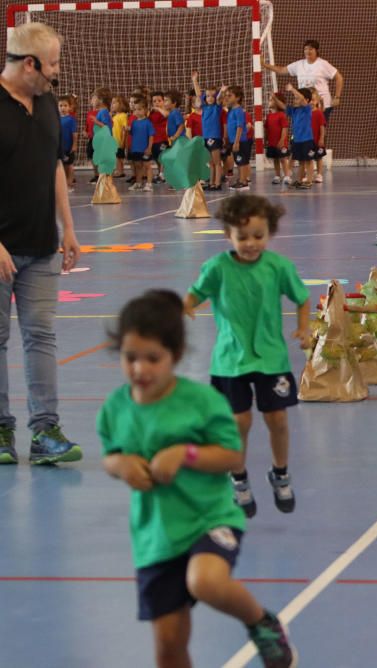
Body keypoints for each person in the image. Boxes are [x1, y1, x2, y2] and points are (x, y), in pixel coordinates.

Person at [98, 290, 297, 668]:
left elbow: (231, 455)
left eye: (152, 359)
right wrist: (120, 466)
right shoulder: (115, 409)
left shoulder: (202, 403)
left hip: (210, 518)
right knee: (169, 646)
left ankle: (261, 621)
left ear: (174, 355)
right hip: (156, 534)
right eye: (130, 358)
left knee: (204, 582)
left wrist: (184, 454)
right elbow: (111, 456)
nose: (140, 369)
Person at [183, 195, 311, 518]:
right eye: (243, 237)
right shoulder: (217, 269)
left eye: (258, 236)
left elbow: (302, 298)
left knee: (277, 419)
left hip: (271, 358)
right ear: (228, 235)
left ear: (269, 233)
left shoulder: (278, 267)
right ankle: (238, 478)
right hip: (230, 359)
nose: (251, 244)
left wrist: (304, 328)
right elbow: (194, 294)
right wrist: (183, 311)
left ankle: (280, 472)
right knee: (239, 422)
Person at [0, 22, 82, 465]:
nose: (56, 72)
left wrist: (67, 228)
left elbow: (53, 165)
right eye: (51, 64)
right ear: (29, 64)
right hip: (1, 251)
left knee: (41, 337)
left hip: (42, 247)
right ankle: (0, 432)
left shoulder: (47, 103)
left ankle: (45, 431)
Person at [263, 39, 343, 122]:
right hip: (304, 104)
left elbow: (339, 78)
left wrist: (337, 97)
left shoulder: (323, 64)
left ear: (316, 51)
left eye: (311, 49)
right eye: (306, 49)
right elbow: (281, 70)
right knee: (306, 129)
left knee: (316, 129)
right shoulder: (299, 64)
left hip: (321, 104)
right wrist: (264, 64)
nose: (308, 51)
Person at [272, 84, 315, 189]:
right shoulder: (294, 110)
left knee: (308, 161)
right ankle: (300, 181)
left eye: (297, 98)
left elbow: (301, 98)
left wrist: (292, 89)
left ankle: (309, 181)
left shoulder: (307, 109)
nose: (295, 100)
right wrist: (274, 98)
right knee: (301, 161)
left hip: (307, 140)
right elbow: (283, 106)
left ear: (306, 100)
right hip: (297, 141)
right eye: (294, 98)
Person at [190, 71, 225, 190]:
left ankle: (217, 183)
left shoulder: (217, 107)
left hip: (214, 137)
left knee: (216, 161)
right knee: (210, 163)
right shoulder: (204, 107)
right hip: (206, 137)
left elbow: (220, 98)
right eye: (208, 96)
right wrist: (195, 81)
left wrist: (222, 90)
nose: (210, 98)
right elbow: (199, 94)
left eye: (212, 96)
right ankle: (211, 183)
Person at [225, 86, 251, 191]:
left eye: (230, 96)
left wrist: (236, 142)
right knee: (238, 161)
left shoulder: (239, 111)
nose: (227, 98)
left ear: (238, 98)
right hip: (233, 141)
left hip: (240, 141)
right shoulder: (231, 110)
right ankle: (241, 179)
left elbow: (240, 127)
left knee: (242, 161)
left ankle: (244, 182)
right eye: (226, 95)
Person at [127, 98, 154, 192]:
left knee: (147, 166)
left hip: (145, 149)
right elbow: (132, 135)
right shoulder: (134, 123)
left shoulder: (148, 123)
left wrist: (149, 147)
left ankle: (149, 184)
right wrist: (127, 130)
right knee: (138, 166)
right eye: (135, 110)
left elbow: (151, 136)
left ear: (145, 110)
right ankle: (138, 183)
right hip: (135, 149)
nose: (137, 112)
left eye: (139, 109)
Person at [264, 94, 291, 185]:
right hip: (272, 143)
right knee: (275, 159)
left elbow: (285, 128)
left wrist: (282, 140)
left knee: (283, 159)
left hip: (281, 143)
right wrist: (265, 139)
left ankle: (287, 176)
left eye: (271, 100)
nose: (269, 101)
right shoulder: (269, 116)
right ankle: (277, 175)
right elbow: (266, 129)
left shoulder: (282, 115)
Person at [57, 94, 77, 191]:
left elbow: (74, 134)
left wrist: (74, 145)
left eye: (65, 106)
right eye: (60, 106)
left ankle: (69, 184)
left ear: (69, 107)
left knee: (69, 165)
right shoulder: (56, 118)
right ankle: (64, 184)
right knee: (61, 166)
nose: (63, 108)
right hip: (60, 147)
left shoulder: (71, 119)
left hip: (69, 147)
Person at [148, 90, 168, 183]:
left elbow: (166, 114)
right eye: (154, 101)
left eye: (159, 101)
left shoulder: (165, 110)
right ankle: (160, 172)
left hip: (163, 138)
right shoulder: (152, 113)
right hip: (154, 139)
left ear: (163, 101)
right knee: (156, 157)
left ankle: (162, 174)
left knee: (162, 156)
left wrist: (159, 108)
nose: (157, 103)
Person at [309, 89, 327, 183]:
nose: (311, 102)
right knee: (310, 158)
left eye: (313, 100)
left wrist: (321, 138)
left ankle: (319, 174)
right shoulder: (306, 113)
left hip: (318, 140)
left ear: (317, 101)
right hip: (309, 141)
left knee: (319, 157)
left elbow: (322, 127)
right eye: (310, 100)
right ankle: (310, 175)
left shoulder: (319, 113)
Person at [110, 94, 129, 177]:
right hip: (114, 141)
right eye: (112, 103)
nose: (112, 105)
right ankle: (119, 170)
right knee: (117, 156)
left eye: (114, 103)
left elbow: (124, 130)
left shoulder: (123, 116)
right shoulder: (115, 116)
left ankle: (120, 171)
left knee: (119, 157)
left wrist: (123, 141)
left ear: (121, 104)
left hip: (119, 141)